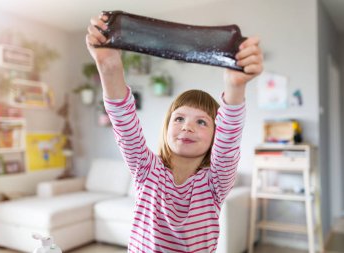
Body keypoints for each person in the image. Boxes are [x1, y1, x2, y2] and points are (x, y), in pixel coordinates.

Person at [86, 14, 263, 253]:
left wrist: (235, 86)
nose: (187, 127)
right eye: (179, 118)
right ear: (167, 126)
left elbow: (230, 137)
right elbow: (123, 121)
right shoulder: (146, 169)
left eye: (201, 122)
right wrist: (108, 66)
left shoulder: (215, 182)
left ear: (215, 135)